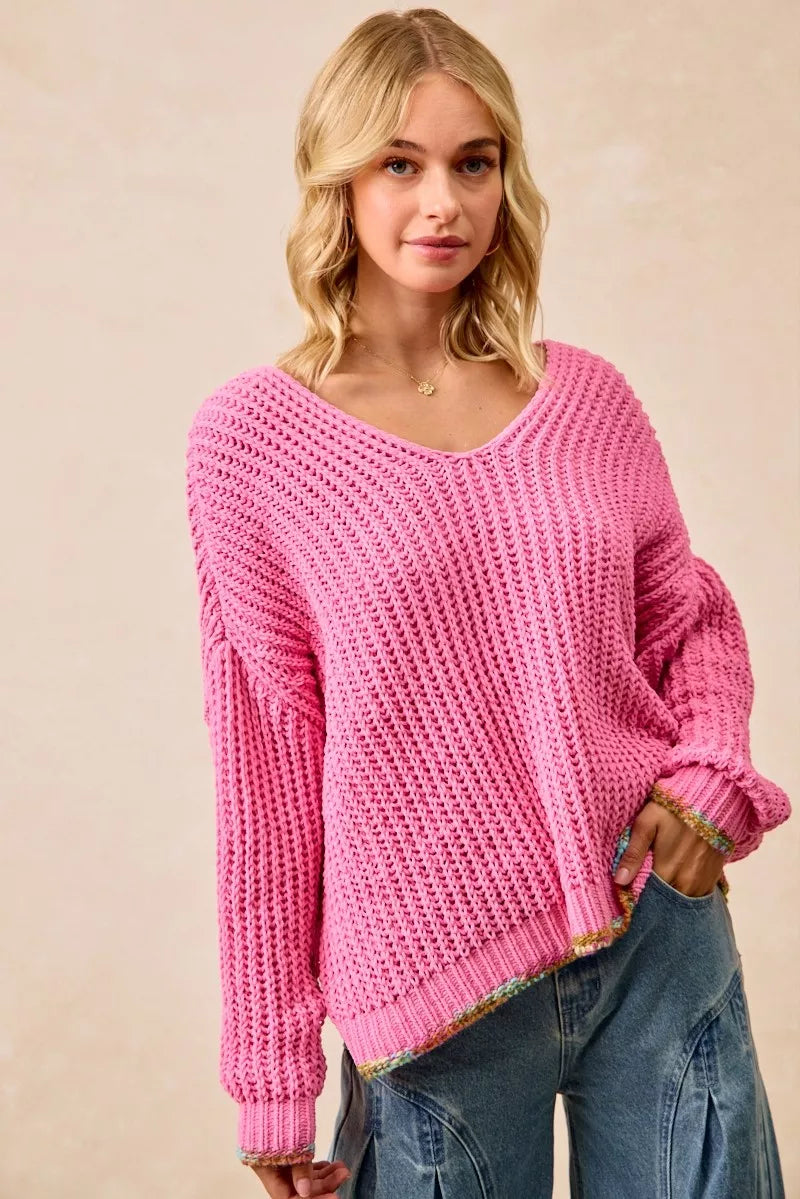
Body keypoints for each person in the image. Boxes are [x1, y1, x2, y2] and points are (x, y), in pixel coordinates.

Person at [184, 9, 791, 1198]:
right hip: (429, 987)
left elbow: (688, 619)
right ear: (338, 180)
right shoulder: (251, 443)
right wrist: (271, 1076)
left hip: (653, 928)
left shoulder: (586, 397)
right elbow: (263, 767)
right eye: (398, 164)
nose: (442, 204)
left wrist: (707, 783)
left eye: (474, 162)